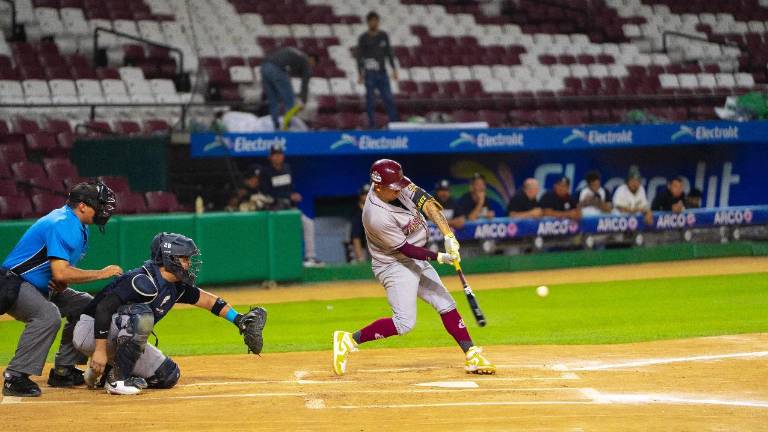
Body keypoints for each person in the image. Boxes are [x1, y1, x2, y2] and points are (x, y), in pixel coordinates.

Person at [332, 159, 495, 376]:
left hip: (414, 256)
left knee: (445, 303)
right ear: (378, 187)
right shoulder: (375, 216)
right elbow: (406, 250)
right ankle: (348, 340)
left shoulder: (394, 182)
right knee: (404, 323)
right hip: (393, 263)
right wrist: (440, 257)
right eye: (394, 188)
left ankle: (472, 354)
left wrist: (448, 235)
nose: (400, 190)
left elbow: (428, 203)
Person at [73, 232, 267, 395]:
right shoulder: (141, 280)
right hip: (90, 331)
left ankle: (105, 371)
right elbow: (103, 308)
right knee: (142, 316)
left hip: (118, 334)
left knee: (168, 375)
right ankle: (117, 380)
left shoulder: (175, 286)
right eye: (184, 259)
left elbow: (209, 301)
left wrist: (238, 319)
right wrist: (99, 350)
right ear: (169, 259)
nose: (189, 264)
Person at [1, 181, 122, 397]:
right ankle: (15, 376)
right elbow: (61, 272)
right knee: (48, 316)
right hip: (12, 283)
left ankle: (63, 370)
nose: (104, 210)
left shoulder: (78, 225)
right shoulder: (63, 223)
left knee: (87, 305)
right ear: (83, 206)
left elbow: (60, 273)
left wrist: (61, 279)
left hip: (37, 285)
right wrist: (101, 273)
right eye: (100, 205)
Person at [260, 144, 323, 267]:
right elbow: (267, 193)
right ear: (270, 157)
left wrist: (292, 196)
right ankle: (281, 262)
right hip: (274, 209)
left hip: (289, 207)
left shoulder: (287, 168)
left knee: (308, 223)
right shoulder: (266, 172)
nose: (278, 157)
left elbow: (289, 188)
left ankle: (310, 257)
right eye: (275, 155)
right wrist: (288, 196)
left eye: (280, 154)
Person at [357, 11, 399, 128]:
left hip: (382, 72)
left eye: (376, 20)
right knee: (370, 101)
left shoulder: (383, 36)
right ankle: (371, 125)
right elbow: (360, 57)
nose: (374, 23)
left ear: (378, 22)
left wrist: (394, 69)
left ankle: (395, 124)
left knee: (388, 98)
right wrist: (360, 73)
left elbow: (389, 53)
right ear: (368, 22)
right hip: (370, 73)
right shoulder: (363, 38)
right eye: (372, 20)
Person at [260, 47, 317, 130]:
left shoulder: (295, 54)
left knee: (273, 100)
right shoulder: (306, 61)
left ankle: (276, 127)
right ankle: (287, 127)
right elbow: (305, 83)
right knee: (289, 100)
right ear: (312, 60)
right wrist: (303, 100)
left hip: (264, 67)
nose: (311, 66)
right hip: (277, 69)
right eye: (313, 64)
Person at [349, 184, 370, 263]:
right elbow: (355, 237)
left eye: (369, 194)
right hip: (360, 248)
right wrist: (360, 257)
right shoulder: (357, 213)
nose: (367, 196)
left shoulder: (374, 210)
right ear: (360, 196)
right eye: (365, 194)